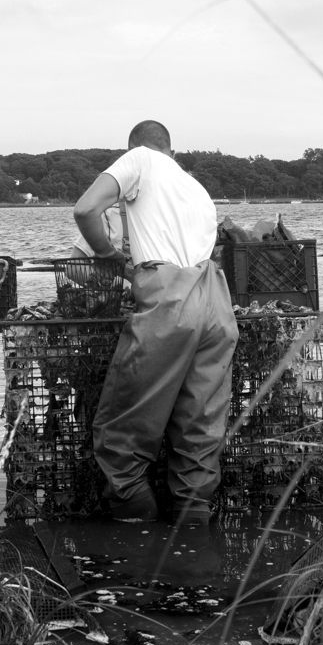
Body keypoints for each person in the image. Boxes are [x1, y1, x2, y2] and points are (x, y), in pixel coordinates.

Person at [73, 120, 237, 526]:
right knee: (201, 427)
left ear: (133, 147)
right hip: (217, 301)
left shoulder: (139, 159)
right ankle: (194, 540)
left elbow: (86, 209)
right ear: (174, 152)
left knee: (123, 426)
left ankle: (136, 536)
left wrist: (108, 255)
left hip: (169, 298)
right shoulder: (196, 189)